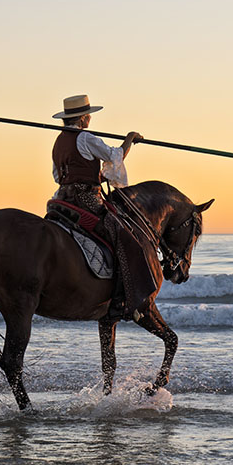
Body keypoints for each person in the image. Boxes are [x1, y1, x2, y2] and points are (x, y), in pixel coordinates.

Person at [51, 94, 159, 318]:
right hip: (86, 200)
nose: (89, 119)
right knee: (123, 235)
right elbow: (114, 156)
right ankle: (124, 298)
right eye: (88, 115)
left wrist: (96, 176)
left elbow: (58, 175)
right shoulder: (85, 138)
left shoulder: (59, 141)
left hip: (62, 199)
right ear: (82, 119)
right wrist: (129, 140)